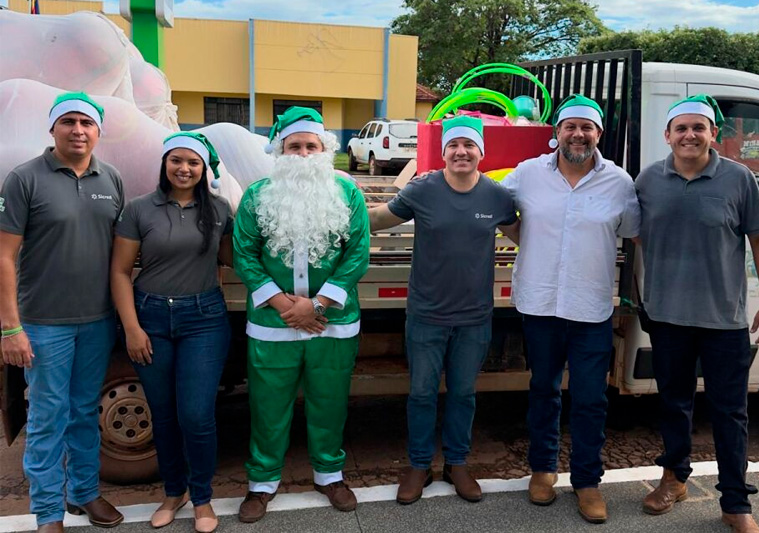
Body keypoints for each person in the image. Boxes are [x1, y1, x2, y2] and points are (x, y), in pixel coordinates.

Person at [636, 95, 759, 533]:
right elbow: (636, 235)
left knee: (730, 412)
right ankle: (675, 478)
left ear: (713, 134)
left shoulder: (738, 179)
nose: (690, 135)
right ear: (668, 135)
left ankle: (735, 503)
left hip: (724, 320)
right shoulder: (647, 181)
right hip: (667, 317)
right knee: (674, 404)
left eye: (699, 128)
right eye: (681, 128)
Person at [500, 94, 640, 524]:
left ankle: (587, 481)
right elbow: (498, 210)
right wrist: (528, 239)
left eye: (587, 127)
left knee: (590, 397)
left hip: (590, 308)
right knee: (543, 389)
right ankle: (542, 470)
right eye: (570, 126)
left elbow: (634, 232)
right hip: (540, 304)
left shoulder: (619, 182)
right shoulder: (526, 174)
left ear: (599, 134)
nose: (578, 134)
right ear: (556, 132)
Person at [369, 115, 519, 505]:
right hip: (426, 315)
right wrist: (336, 209)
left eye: (469, 145)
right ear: (443, 152)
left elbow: (529, 235)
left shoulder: (497, 196)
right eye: (454, 145)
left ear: (481, 153)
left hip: (474, 318)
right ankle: (419, 464)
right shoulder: (424, 189)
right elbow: (380, 219)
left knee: (463, 394)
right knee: (420, 393)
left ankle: (457, 463)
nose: (461, 152)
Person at [232, 107, 370, 522]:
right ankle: (261, 483)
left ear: (324, 149)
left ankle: (329, 474)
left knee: (329, 403)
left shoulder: (348, 193)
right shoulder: (257, 195)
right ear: (280, 150)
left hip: (333, 322)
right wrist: (286, 305)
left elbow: (357, 254)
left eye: (312, 146)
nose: (304, 153)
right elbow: (244, 254)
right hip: (273, 324)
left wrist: (317, 304)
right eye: (295, 146)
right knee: (268, 405)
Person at [0, 92, 125, 533]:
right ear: (52, 128)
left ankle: (84, 493)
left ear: (98, 131)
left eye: (86, 123)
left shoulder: (110, 178)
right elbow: (3, 256)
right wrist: (10, 327)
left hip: (96, 320)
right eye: (68, 121)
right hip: (43, 324)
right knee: (48, 415)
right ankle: (49, 512)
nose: (78, 130)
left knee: (84, 410)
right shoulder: (24, 179)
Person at [109, 132, 233, 533]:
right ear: (164, 164)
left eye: (193, 162)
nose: (184, 169)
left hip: (204, 318)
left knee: (196, 415)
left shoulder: (218, 209)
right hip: (151, 319)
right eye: (176, 160)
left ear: (204, 168)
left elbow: (234, 258)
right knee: (162, 415)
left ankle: (202, 498)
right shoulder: (139, 209)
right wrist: (132, 328)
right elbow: (120, 272)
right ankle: (173, 492)